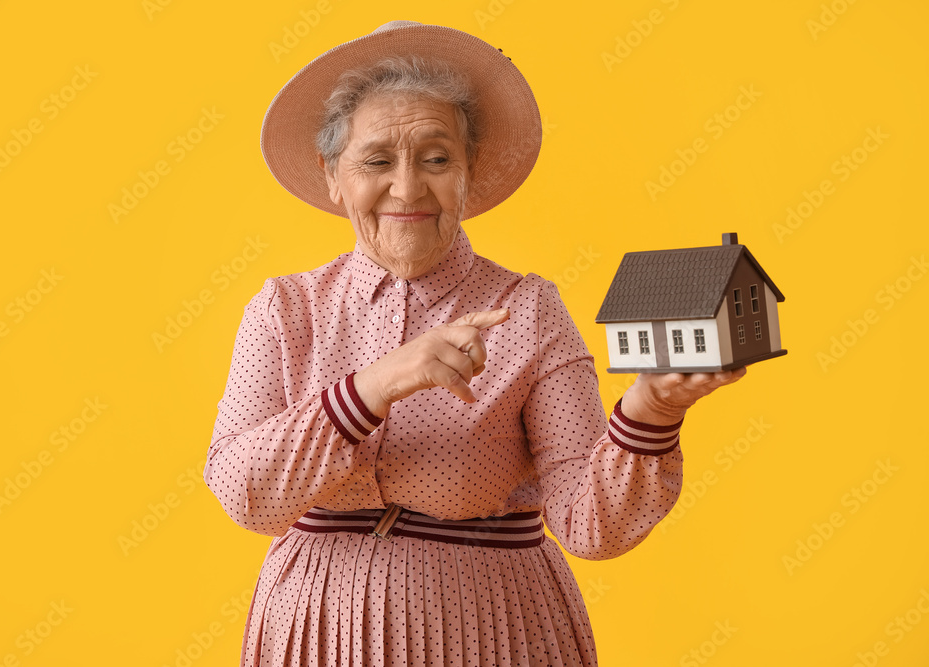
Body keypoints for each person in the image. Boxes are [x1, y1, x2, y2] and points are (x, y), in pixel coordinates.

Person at [204, 20, 745, 667]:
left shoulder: (530, 308)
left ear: (469, 172)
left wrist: (651, 414)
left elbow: (589, 528)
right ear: (332, 174)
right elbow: (246, 494)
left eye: (436, 158)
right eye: (378, 159)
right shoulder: (285, 311)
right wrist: (375, 386)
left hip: (498, 630)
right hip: (316, 629)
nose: (407, 188)